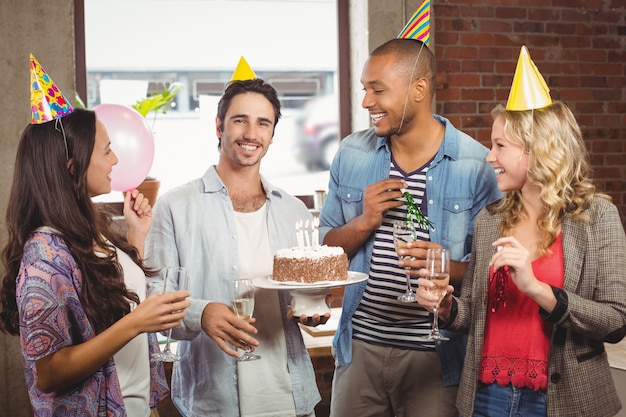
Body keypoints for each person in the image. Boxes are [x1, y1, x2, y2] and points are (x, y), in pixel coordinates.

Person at [416, 47, 626, 417]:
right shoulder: (490, 221)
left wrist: (537, 289)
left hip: (562, 400)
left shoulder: (597, 217)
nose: (489, 156)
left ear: (538, 151)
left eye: (500, 145)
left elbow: (615, 322)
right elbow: (477, 319)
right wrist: (448, 308)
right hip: (486, 397)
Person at [318, 38, 501, 417]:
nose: (367, 102)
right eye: (365, 89)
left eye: (378, 90)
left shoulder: (477, 165)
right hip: (360, 349)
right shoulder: (352, 153)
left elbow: (495, 276)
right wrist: (365, 221)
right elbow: (326, 254)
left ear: (419, 89)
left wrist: (447, 267)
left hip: (437, 356)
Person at [144, 77, 323, 417]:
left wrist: (312, 307)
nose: (250, 133)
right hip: (212, 401)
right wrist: (201, 313)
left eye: (263, 123)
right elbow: (154, 302)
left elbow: (305, 295)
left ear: (272, 133)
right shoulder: (174, 207)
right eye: (240, 120)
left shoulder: (293, 211)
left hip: (290, 398)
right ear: (219, 126)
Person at [0, 107, 190, 416]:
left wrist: (136, 236)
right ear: (72, 167)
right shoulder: (44, 255)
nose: (115, 160)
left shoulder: (92, 231)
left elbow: (112, 299)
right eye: (107, 151)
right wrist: (137, 322)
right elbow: (49, 373)